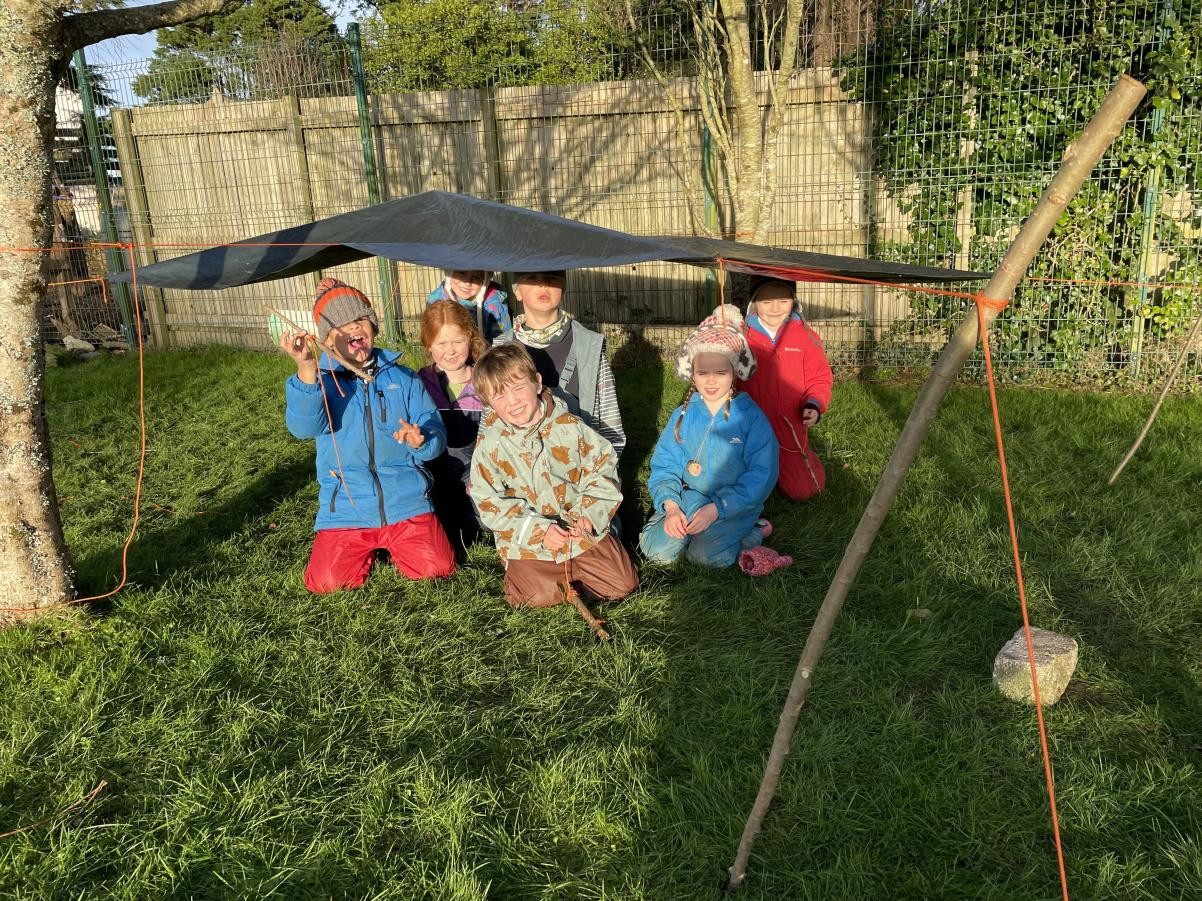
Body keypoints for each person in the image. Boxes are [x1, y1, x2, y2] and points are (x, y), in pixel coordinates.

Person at [280, 277, 456, 593]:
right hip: (347, 505)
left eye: (360, 319)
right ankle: (364, 548)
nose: (354, 329)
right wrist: (306, 368)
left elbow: (432, 427)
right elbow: (303, 427)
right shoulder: (322, 380)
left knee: (437, 569)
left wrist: (423, 439)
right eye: (342, 326)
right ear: (327, 340)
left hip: (406, 500)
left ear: (373, 326)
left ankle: (394, 543)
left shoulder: (403, 378)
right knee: (327, 583)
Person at [469, 343, 639, 609]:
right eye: (499, 396)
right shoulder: (490, 445)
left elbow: (603, 471)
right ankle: (545, 578)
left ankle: (573, 572)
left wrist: (588, 515)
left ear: (537, 383)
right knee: (531, 599)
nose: (512, 402)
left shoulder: (571, 428)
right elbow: (488, 503)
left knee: (622, 584)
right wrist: (538, 530)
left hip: (577, 531)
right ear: (488, 402)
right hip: (529, 541)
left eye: (517, 388)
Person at [639, 305, 780, 569]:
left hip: (732, 506)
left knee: (705, 558)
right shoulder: (684, 414)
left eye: (721, 372)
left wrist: (718, 508)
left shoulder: (751, 418)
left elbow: (761, 475)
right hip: (688, 500)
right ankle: (682, 527)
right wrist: (671, 507)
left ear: (734, 372)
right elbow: (664, 464)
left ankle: (753, 532)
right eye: (703, 372)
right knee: (657, 553)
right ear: (692, 373)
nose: (711, 381)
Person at [495, 270, 625, 457]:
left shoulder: (588, 346)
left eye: (552, 278)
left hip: (580, 465)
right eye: (532, 277)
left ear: (563, 289)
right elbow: (490, 421)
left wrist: (606, 474)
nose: (543, 285)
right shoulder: (500, 349)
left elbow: (611, 425)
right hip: (518, 467)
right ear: (517, 291)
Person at [742, 275, 834, 501]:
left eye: (783, 301)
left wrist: (814, 403)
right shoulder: (742, 337)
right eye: (766, 301)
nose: (775, 308)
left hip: (789, 425)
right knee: (743, 485)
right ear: (754, 303)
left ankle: (788, 467)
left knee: (806, 490)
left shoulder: (805, 336)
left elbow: (819, 376)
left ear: (793, 302)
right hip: (749, 426)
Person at [418, 299, 488, 558]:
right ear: (429, 344)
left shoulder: (485, 380)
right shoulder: (419, 383)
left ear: (470, 339)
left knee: (480, 526)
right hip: (435, 477)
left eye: (457, 342)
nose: (450, 351)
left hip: (476, 475)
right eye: (441, 343)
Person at [426, 269, 513, 345]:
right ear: (449, 273)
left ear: (485, 281)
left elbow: (503, 340)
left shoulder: (494, 305)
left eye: (476, 277)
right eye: (461, 273)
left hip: (486, 356)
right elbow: (432, 336)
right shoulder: (437, 301)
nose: (467, 282)